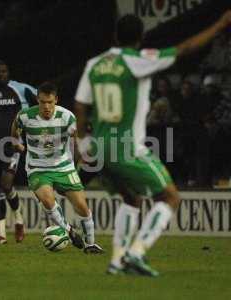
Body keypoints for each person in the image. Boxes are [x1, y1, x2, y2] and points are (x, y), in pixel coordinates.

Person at [74, 12, 231, 276]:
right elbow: (185, 48)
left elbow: (80, 105)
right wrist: (221, 24)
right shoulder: (137, 61)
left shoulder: (95, 64)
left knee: (131, 199)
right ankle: (136, 253)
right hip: (127, 146)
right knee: (170, 197)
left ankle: (118, 260)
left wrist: (82, 143)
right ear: (141, 38)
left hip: (99, 147)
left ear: (114, 37)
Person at [11, 82, 104, 254]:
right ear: (37, 101)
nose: (46, 106)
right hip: (37, 168)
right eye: (42, 102)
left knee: (82, 205)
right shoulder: (25, 116)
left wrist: (83, 153)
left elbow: (77, 137)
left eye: (50, 102)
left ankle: (90, 244)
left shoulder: (67, 117)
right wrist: (16, 143)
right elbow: (15, 129)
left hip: (64, 167)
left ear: (56, 100)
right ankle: (68, 231)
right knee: (47, 199)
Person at [0, 60, 37, 244]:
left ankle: (18, 221)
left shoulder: (22, 89)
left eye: (4, 71)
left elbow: (42, 99)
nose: (1, 74)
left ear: (8, 72)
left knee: (6, 183)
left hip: (13, 144)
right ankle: (1, 234)